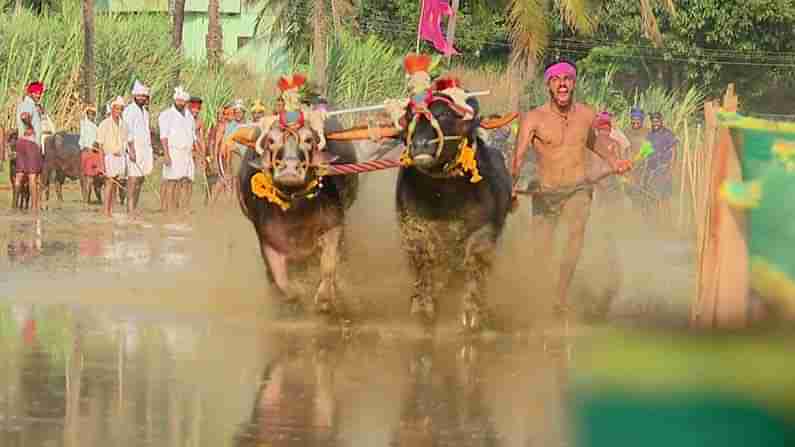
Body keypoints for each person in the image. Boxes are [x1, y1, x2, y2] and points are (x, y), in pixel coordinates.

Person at [510, 59, 632, 315]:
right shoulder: (533, 118)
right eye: (556, 80)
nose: (562, 84)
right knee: (541, 248)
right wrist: (510, 186)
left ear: (574, 83)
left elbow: (593, 143)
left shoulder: (587, 114)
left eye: (567, 79)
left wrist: (614, 161)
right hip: (545, 192)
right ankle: (538, 293)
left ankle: (560, 296)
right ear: (549, 86)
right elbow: (518, 157)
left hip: (578, 188)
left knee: (575, 238)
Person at [159, 86, 196, 213]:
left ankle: (184, 208)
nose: (181, 103)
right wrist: (166, 155)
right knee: (171, 181)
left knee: (187, 180)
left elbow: (192, 135)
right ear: (175, 100)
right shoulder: (166, 114)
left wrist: (196, 152)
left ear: (186, 102)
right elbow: (163, 137)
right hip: (173, 151)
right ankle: (170, 209)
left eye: (183, 101)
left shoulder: (189, 116)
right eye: (178, 100)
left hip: (187, 152)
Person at [15, 81, 46, 214]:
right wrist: (30, 127)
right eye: (36, 92)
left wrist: (39, 111)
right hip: (31, 143)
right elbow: (24, 116)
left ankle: (14, 205)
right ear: (30, 92)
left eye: (39, 93)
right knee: (33, 176)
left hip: (21, 142)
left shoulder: (26, 104)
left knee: (19, 174)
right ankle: (34, 207)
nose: (38, 95)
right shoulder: (28, 104)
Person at [123, 80, 153, 217]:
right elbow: (127, 131)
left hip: (145, 149)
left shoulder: (145, 112)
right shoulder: (130, 110)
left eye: (144, 96)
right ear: (135, 96)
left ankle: (135, 205)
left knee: (141, 179)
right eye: (139, 96)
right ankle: (129, 208)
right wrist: (131, 150)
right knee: (133, 179)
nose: (141, 98)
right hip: (133, 148)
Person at [97, 96, 131, 218]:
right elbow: (100, 146)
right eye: (116, 109)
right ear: (112, 109)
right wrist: (101, 164)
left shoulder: (125, 125)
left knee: (116, 183)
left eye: (121, 109)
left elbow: (127, 142)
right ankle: (106, 211)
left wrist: (130, 154)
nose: (118, 111)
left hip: (121, 157)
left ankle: (111, 209)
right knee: (109, 183)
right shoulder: (104, 124)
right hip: (109, 156)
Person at [645, 112, 679, 220]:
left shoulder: (668, 134)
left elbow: (674, 151)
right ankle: (656, 221)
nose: (655, 123)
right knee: (652, 196)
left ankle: (667, 221)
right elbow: (646, 151)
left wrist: (671, 168)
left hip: (664, 168)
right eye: (653, 121)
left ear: (661, 121)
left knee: (664, 197)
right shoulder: (650, 135)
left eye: (657, 121)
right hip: (652, 168)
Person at [78, 105, 102, 203]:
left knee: (91, 177)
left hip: (90, 152)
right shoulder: (86, 125)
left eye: (93, 114)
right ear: (87, 115)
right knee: (90, 178)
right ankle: (86, 201)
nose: (92, 116)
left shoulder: (93, 126)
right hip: (90, 152)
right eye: (90, 114)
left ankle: (87, 200)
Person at [188, 96, 207, 205]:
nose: (195, 111)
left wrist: (203, 156)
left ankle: (189, 201)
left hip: (195, 151)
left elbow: (202, 139)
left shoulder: (199, 122)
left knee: (191, 176)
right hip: (183, 150)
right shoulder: (184, 118)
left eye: (197, 109)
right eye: (193, 108)